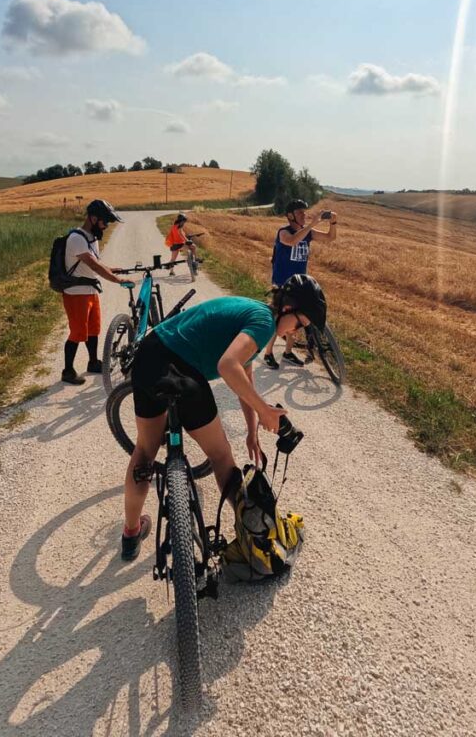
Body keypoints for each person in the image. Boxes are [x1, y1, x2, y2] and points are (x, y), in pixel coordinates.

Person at [120, 274, 328, 560]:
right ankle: (255, 536)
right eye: (299, 324)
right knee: (220, 456)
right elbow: (228, 365)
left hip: (149, 356)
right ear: (288, 308)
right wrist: (266, 411)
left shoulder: (256, 313)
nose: (295, 333)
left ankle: (130, 533)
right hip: (182, 370)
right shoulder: (265, 323)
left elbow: (245, 374)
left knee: (144, 452)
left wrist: (252, 430)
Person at [61, 199, 134, 385]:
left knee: (93, 329)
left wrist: (111, 269)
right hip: (76, 292)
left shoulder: (91, 237)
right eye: (104, 221)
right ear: (93, 219)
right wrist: (117, 280)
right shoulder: (77, 238)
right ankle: (67, 371)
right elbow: (92, 264)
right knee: (78, 332)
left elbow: (96, 264)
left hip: (90, 289)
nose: (106, 225)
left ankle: (93, 362)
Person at [263, 199, 337, 369]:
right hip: (282, 283)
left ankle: (288, 352)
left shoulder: (307, 232)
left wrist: (333, 222)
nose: (304, 215)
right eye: (300, 213)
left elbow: (330, 237)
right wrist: (311, 224)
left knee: (295, 319)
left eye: (304, 212)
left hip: (299, 284)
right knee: (278, 318)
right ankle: (268, 353)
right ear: (290, 216)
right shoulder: (284, 232)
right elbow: (292, 241)